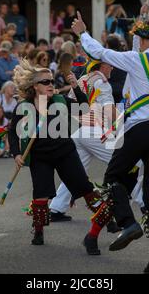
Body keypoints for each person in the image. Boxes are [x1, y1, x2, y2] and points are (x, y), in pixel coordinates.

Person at [72, 11, 149, 273]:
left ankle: (128, 223)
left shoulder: (135, 61)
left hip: (136, 131)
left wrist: (82, 32)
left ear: (143, 40)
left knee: (113, 180)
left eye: (138, 38)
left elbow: (101, 52)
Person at [8, 59, 113, 253]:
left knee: (86, 190)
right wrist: (16, 154)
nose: (51, 85)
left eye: (51, 81)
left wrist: (75, 87)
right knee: (40, 196)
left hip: (65, 153)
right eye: (45, 82)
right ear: (34, 86)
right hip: (40, 156)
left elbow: (83, 106)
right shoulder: (24, 107)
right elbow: (13, 132)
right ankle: (38, 231)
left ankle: (101, 227)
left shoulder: (60, 100)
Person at [49, 59, 115, 222]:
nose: (112, 67)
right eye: (110, 64)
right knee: (124, 161)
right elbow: (109, 109)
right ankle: (147, 198)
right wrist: (121, 124)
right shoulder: (102, 82)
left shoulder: (82, 80)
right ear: (102, 66)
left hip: (78, 130)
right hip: (94, 130)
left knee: (75, 171)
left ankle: (56, 207)